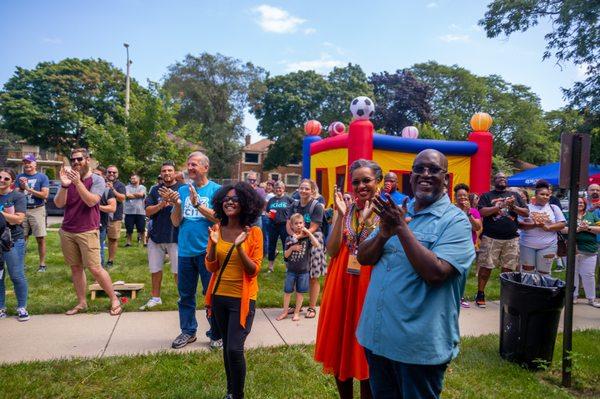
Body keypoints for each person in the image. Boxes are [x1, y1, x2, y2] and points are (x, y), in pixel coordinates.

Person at [356, 149, 475, 399]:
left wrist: (400, 228)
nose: (425, 174)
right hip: (378, 340)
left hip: (417, 349)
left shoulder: (456, 222)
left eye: (434, 169)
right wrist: (384, 233)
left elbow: (436, 273)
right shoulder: (397, 211)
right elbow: (364, 257)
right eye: (419, 168)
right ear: (410, 176)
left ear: (446, 178)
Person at [314, 159, 382, 399]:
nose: (361, 186)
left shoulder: (386, 211)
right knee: (340, 342)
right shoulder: (346, 208)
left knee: (366, 350)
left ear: (378, 182)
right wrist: (341, 217)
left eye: (367, 180)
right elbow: (331, 250)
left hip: (369, 283)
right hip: (340, 282)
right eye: (356, 182)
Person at [204, 182, 264, 399]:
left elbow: (254, 270)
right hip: (219, 296)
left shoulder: (254, 233)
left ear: (246, 204)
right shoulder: (218, 228)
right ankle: (230, 392)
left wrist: (239, 247)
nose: (229, 202)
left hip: (242, 299)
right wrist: (212, 245)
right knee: (227, 347)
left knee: (234, 349)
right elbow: (211, 266)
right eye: (226, 199)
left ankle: (237, 394)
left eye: (235, 199)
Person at [53, 149, 122, 316]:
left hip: (88, 230)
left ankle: (114, 299)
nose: (76, 163)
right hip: (68, 230)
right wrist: (64, 185)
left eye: (79, 159)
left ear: (87, 160)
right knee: (76, 268)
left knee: (95, 268)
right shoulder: (68, 180)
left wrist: (77, 183)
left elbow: (92, 202)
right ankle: (82, 302)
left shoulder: (97, 179)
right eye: (73, 160)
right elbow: (58, 204)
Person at [169, 151, 221, 349]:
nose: (190, 168)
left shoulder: (216, 191)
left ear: (205, 168)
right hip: (185, 251)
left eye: (194, 165)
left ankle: (216, 333)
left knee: (212, 294)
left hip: (208, 252)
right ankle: (188, 331)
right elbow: (175, 222)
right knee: (185, 295)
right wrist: (176, 205)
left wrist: (198, 204)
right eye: (189, 164)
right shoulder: (182, 190)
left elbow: (220, 219)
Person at [475, 173, 529, 308]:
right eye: (499, 177)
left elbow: (526, 212)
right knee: (486, 267)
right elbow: (482, 212)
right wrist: (500, 206)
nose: (503, 179)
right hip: (491, 237)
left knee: (508, 269)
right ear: (494, 181)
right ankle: (480, 294)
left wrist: (513, 207)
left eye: (505, 178)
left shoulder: (515, 196)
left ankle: (506, 296)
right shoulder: (487, 196)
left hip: (511, 239)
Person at [140, 161, 184, 310]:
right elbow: (147, 211)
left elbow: (186, 210)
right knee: (155, 269)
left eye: (169, 170)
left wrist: (175, 203)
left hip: (176, 235)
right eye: (164, 171)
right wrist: (161, 204)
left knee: (178, 270)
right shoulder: (154, 190)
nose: (167, 173)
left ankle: (182, 299)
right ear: (161, 173)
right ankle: (155, 297)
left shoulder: (182, 188)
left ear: (174, 172)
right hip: (156, 236)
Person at [287, 179, 326, 319]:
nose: (303, 191)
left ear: (312, 191)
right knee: (297, 272)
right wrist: (293, 237)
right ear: (298, 189)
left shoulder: (317, 206)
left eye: (307, 189)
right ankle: (298, 305)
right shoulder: (294, 205)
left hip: (314, 239)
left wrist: (300, 236)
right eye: (301, 188)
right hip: (297, 239)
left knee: (313, 276)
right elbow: (288, 224)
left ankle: (312, 307)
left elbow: (314, 226)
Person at [276, 213, 321, 322]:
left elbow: (317, 244)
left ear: (304, 224)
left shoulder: (307, 239)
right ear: (291, 226)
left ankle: (296, 313)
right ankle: (285, 312)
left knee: (300, 293)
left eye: (301, 223)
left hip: (303, 272)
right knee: (287, 292)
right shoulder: (288, 239)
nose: (299, 225)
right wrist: (292, 248)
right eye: (296, 223)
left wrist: (309, 232)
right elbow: (285, 256)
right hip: (291, 271)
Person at [518, 180, 566, 274]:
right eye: (542, 194)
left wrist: (548, 227)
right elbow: (520, 225)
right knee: (527, 272)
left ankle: (542, 289)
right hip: (527, 245)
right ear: (535, 195)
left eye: (547, 195)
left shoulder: (554, 208)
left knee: (544, 272)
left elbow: (562, 224)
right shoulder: (526, 208)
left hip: (548, 245)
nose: (545, 197)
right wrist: (534, 225)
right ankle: (528, 289)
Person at [0, 168, 29, 321]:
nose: (2, 180)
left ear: (12, 181)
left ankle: (22, 307)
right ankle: (1, 308)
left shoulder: (17, 196)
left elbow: (18, 219)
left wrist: (2, 214)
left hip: (12, 241)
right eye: (0, 177)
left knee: (16, 275)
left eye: (6, 178)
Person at [562, 197, 600, 308]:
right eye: (577, 202)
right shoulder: (566, 215)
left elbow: (599, 228)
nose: (579, 204)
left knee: (589, 274)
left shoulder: (591, 215)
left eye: (581, 202)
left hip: (589, 249)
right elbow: (562, 229)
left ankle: (591, 299)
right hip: (571, 249)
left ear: (585, 204)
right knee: (572, 274)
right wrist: (577, 229)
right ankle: (573, 296)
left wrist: (587, 228)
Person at [16, 154, 50, 272]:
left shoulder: (42, 177)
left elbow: (45, 195)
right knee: (21, 238)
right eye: (25, 162)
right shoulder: (19, 176)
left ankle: (42, 264)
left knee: (40, 238)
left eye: (29, 162)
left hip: (37, 209)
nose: (27, 164)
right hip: (22, 210)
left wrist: (28, 189)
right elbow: (15, 193)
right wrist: (21, 187)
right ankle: (21, 264)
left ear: (35, 164)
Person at [453, 183, 482, 308]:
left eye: (464, 196)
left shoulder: (474, 211)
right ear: (455, 197)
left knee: (464, 273)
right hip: (453, 245)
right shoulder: (451, 210)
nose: (462, 198)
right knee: (453, 273)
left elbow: (477, 227)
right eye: (459, 196)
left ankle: (461, 296)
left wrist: (468, 213)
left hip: (467, 246)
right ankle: (452, 297)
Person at [266, 181, 294, 272]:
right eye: (277, 188)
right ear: (274, 189)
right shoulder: (271, 200)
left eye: (280, 188)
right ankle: (270, 267)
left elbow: (295, 208)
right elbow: (267, 211)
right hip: (272, 225)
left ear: (283, 189)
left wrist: (291, 219)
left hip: (284, 225)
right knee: (271, 245)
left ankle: (287, 267)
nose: (278, 189)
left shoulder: (288, 199)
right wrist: (268, 215)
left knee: (286, 245)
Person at [92, 167, 116, 268]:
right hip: (84, 224)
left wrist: (97, 206)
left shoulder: (107, 191)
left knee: (99, 249)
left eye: (98, 175)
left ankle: (99, 273)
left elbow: (112, 207)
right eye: (93, 174)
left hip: (100, 224)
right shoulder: (85, 188)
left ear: (103, 177)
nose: (95, 177)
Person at [105, 165, 126, 268]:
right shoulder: (100, 182)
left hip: (115, 216)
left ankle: (110, 260)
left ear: (117, 174)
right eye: (109, 172)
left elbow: (122, 198)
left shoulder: (120, 185)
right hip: (101, 215)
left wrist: (112, 189)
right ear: (106, 173)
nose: (111, 174)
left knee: (112, 239)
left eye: (114, 172)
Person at [124, 174, 147, 247]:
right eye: (131, 178)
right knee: (129, 229)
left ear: (138, 179)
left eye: (134, 178)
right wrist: (137, 195)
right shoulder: (126, 187)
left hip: (140, 211)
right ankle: (128, 243)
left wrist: (132, 195)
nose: (132, 180)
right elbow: (127, 195)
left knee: (142, 228)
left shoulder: (142, 187)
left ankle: (144, 242)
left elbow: (141, 194)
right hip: (129, 211)